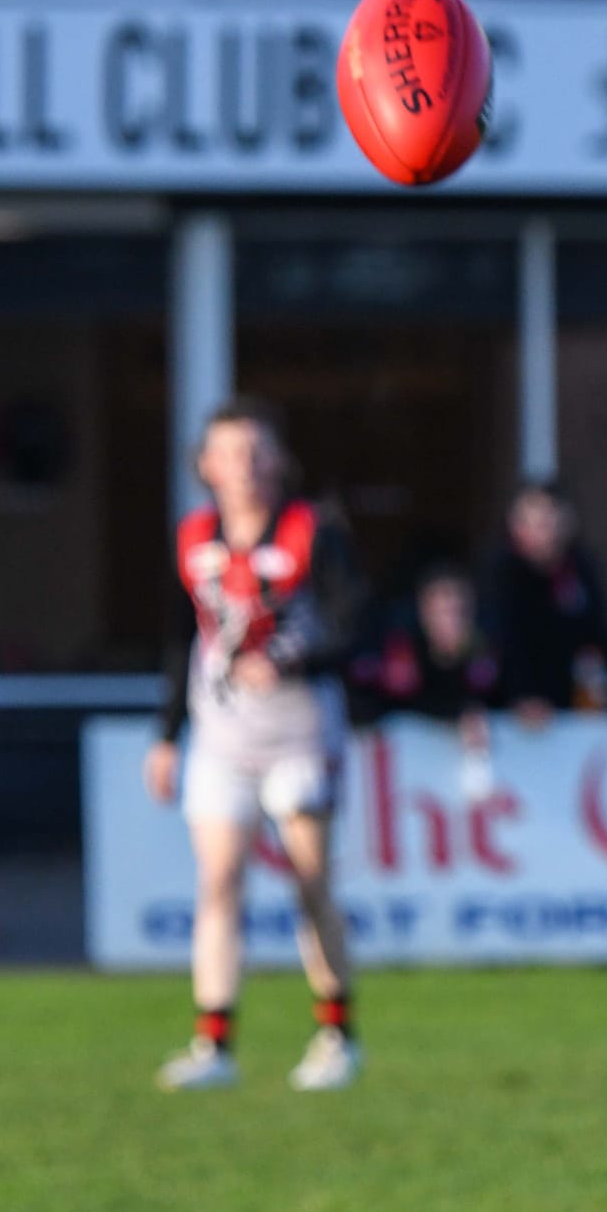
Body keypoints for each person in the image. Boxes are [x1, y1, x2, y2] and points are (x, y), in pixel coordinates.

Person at [145, 397, 365, 1094]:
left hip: (300, 732)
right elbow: (182, 641)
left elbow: (352, 623)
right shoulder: (192, 540)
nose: (243, 466)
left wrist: (292, 662)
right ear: (204, 464)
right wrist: (167, 736)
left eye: (256, 450)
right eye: (229, 452)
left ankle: (336, 1033)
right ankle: (214, 1042)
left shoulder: (312, 532)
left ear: (279, 460)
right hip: (222, 737)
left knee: (309, 884)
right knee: (218, 884)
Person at [480, 480, 607, 720]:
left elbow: (602, 635)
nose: (543, 531)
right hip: (511, 714)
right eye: (533, 522)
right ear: (515, 525)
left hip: (571, 710)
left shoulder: (582, 571)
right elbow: (496, 642)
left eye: (549, 520)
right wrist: (521, 696)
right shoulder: (498, 574)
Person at [350, 560, 497, 738]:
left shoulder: (483, 651)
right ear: (425, 610)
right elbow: (378, 705)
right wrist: (456, 714)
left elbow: (501, 700)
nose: (454, 621)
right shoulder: (401, 651)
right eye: (444, 612)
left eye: (461, 611)